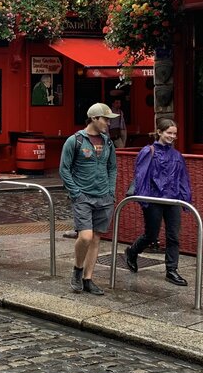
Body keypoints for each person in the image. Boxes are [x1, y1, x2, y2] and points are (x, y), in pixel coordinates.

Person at [58, 102, 119, 296]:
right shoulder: (74, 140)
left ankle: (88, 278)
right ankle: (77, 269)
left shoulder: (108, 142)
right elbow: (64, 169)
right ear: (94, 118)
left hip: (104, 196)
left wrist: (110, 190)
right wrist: (75, 192)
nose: (108, 123)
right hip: (83, 196)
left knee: (96, 239)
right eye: (105, 119)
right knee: (85, 236)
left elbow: (112, 167)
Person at [124, 119, 191, 286]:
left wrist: (185, 198)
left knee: (173, 235)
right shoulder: (149, 151)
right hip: (153, 199)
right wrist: (144, 200)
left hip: (172, 199)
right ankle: (132, 252)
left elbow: (183, 178)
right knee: (151, 235)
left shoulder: (177, 155)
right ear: (159, 132)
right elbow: (141, 176)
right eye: (169, 132)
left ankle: (171, 270)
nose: (172, 136)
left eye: (174, 133)